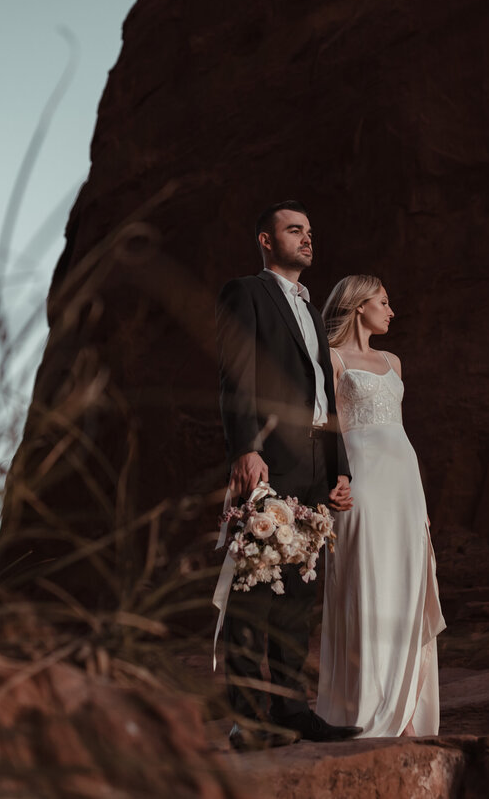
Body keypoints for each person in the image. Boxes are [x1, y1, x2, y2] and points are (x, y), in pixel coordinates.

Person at [215, 201, 362, 750]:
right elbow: (236, 377)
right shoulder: (245, 292)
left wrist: (338, 472)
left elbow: (324, 398)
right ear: (265, 241)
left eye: (309, 230)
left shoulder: (311, 312)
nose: (306, 238)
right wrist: (245, 449)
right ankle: (248, 720)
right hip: (267, 460)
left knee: (299, 595)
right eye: (293, 230)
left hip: (312, 467)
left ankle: (293, 712)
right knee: (254, 590)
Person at [315, 275, 446, 737]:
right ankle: (365, 707)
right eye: (383, 302)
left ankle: (407, 709)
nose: (391, 311)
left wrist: (422, 501)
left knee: (408, 584)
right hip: (361, 481)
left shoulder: (393, 361)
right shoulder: (329, 358)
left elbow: (401, 434)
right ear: (357, 306)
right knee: (364, 583)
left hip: (404, 484)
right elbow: (325, 428)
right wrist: (333, 482)